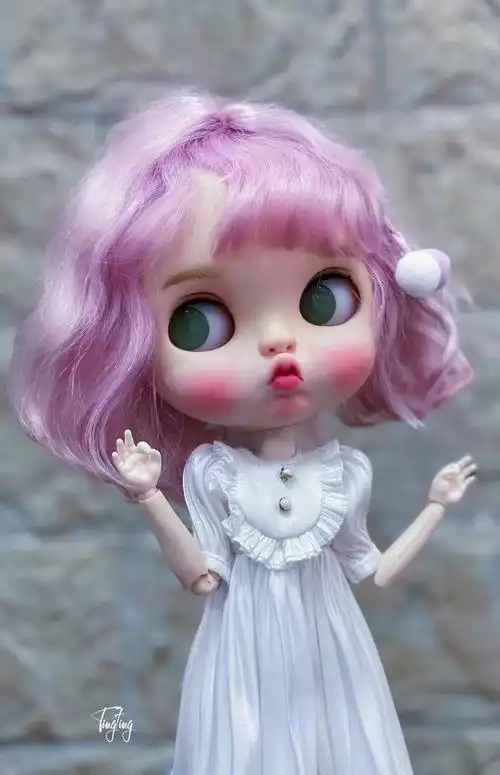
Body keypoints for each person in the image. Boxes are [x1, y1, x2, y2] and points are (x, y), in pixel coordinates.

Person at [9, 90, 477, 774]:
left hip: (333, 660)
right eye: (200, 319)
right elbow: (202, 576)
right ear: (129, 347)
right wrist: (148, 495)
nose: (279, 342)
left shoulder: (346, 476)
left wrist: (434, 506)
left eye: (325, 297)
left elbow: (373, 569)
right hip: (243, 664)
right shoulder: (216, 475)